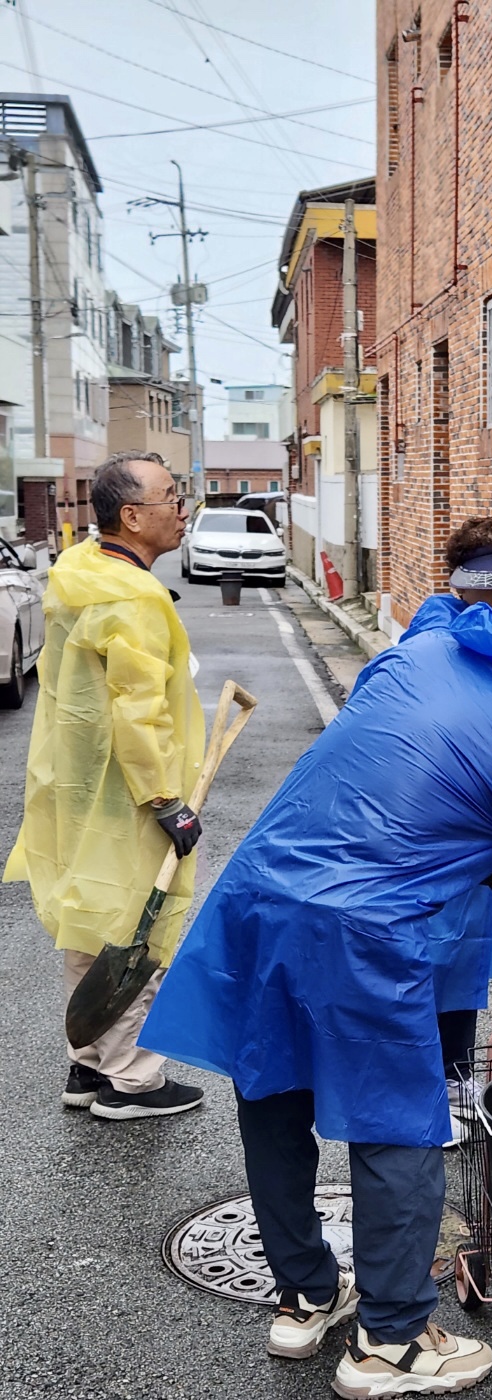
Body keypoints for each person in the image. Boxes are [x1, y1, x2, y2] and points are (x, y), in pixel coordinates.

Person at [138, 589, 492, 1398]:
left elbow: (416, 776)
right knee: (399, 1126)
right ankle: (390, 1342)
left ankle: (306, 1296)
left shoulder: (428, 652)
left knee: (273, 1095)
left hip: (262, 894)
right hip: (362, 929)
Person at [3, 452, 206, 1120]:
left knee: (90, 923)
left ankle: (87, 1065)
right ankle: (132, 1082)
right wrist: (166, 800)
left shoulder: (80, 572)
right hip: (127, 791)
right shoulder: (135, 596)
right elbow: (138, 711)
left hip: (76, 780)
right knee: (136, 931)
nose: (183, 510)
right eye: (172, 498)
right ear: (132, 515)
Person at [396, 515, 492, 1143]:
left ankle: (455, 1075)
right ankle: (420, 1093)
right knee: (421, 960)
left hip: (484, 841)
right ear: (462, 582)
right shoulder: (427, 645)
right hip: (433, 835)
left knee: (465, 960)